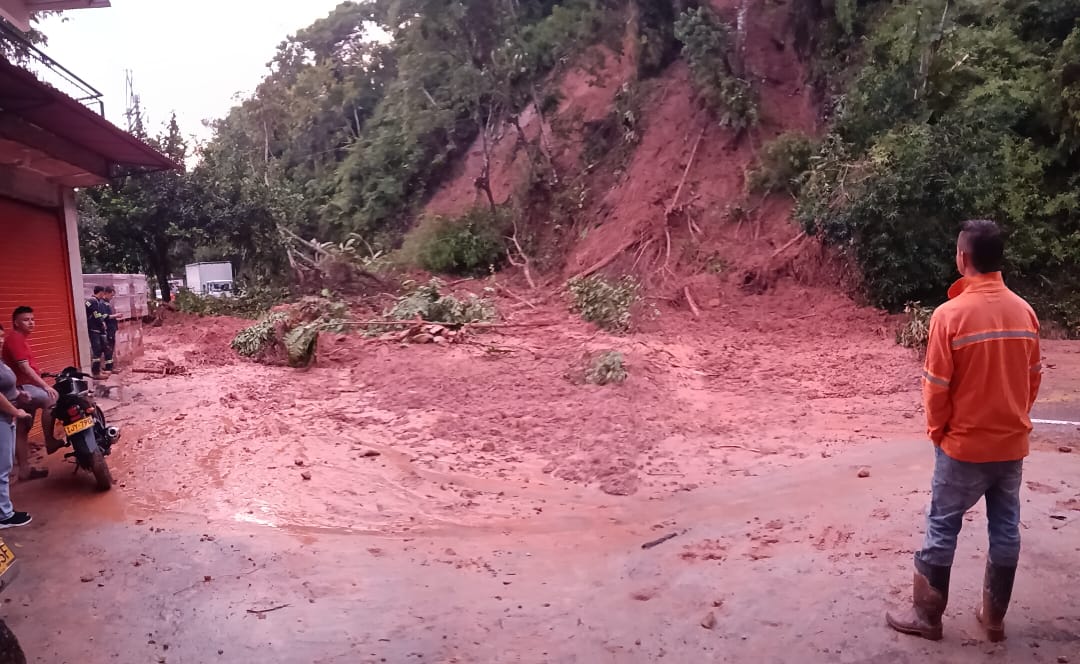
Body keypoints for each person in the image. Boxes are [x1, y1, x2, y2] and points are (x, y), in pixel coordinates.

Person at [886, 219, 1042, 642]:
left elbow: (936, 387)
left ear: (963, 258)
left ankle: (928, 618)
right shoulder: (1025, 312)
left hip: (963, 446)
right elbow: (1033, 379)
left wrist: (938, 433)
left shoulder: (949, 315)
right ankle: (993, 619)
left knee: (942, 526)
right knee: (1006, 526)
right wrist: (1013, 419)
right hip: (1011, 444)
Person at [1, 307, 56, 482]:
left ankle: (24, 470)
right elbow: (24, 368)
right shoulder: (15, 338)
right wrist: (45, 386)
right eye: (26, 320)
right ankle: (50, 441)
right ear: (16, 323)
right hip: (23, 388)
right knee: (51, 399)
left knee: (23, 429)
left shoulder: (19, 339)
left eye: (33, 319)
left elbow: (25, 366)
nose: (31, 322)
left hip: (21, 389)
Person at [0, 324, 33, 528]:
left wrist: (19, 394)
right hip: (2, 418)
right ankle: (4, 515)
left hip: (7, 418)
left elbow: (5, 386)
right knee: (2, 469)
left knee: (5, 464)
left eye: (1, 336)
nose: (0, 340)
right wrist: (16, 412)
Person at [86, 286, 110, 378]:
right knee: (97, 351)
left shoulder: (91, 301)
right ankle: (96, 373)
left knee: (99, 350)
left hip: (95, 329)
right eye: (103, 293)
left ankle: (98, 369)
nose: (103, 295)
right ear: (100, 292)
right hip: (94, 329)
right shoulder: (93, 301)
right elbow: (96, 314)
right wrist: (102, 323)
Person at [101, 286, 120, 373]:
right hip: (108, 330)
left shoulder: (107, 303)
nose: (112, 298)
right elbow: (104, 316)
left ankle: (109, 367)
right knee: (108, 348)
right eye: (111, 295)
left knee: (110, 348)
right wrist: (115, 316)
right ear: (107, 293)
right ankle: (109, 368)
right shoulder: (102, 304)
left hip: (111, 329)